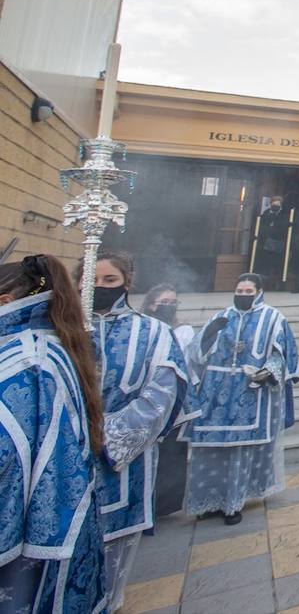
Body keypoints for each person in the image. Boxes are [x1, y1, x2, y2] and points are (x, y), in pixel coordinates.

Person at [84, 251, 192, 612]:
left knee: (110, 562)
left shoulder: (153, 332)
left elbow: (162, 394)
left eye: (110, 280)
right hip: (61, 463)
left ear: (126, 284)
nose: (100, 287)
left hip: (121, 458)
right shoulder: (58, 328)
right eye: (91, 279)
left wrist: (106, 438)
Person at [0, 255, 108, 612]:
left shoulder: (22, 361)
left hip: (26, 553)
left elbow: (6, 457)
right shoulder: (48, 344)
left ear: (5, 301)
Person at [183, 272, 299, 525]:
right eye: (240, 291)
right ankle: (208, 500)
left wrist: (267, 371)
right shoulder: (221, 316)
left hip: (249, 393)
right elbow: (195, 355)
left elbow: (282, 353)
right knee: (210, 451)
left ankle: (233, 503)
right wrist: (208, 334)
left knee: (240, 452)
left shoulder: (273, 318)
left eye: (249, 292)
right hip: (215, 393)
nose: (243, 296)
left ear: (258, 292)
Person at [140, 284, 194, 519]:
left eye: (174, 301)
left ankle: (163, 505)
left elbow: (189, 363)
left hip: (173, 402)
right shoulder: (140, 328)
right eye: (164, 301)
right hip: (142, 400)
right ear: (151, 304)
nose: (170, 306)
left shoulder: (183, 331)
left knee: (170, 455)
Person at [256, 196, 290, 288]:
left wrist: (273, 230)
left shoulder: (284, 215)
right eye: (274, 204)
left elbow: (282, 229)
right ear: (271, 204)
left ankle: (279, 284)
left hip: (278, 244)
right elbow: (262, 228)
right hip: (265, 243)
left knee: (278, 266)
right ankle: (264, 285)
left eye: (278, 204)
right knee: (265, 265)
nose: (276, 206)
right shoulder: (266, 214)